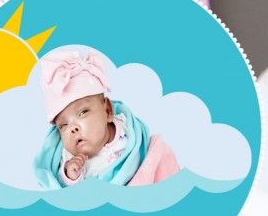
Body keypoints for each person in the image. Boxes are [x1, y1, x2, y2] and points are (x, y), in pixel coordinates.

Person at [33, 47, 181, 188]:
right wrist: (70, 176)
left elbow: (141, 151)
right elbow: (69, 193)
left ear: (108, 111)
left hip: (139, 183)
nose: (73, 128)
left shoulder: (126, 127)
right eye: (63, 125)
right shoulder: (69, 158)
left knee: (158, 151)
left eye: (83, 112)